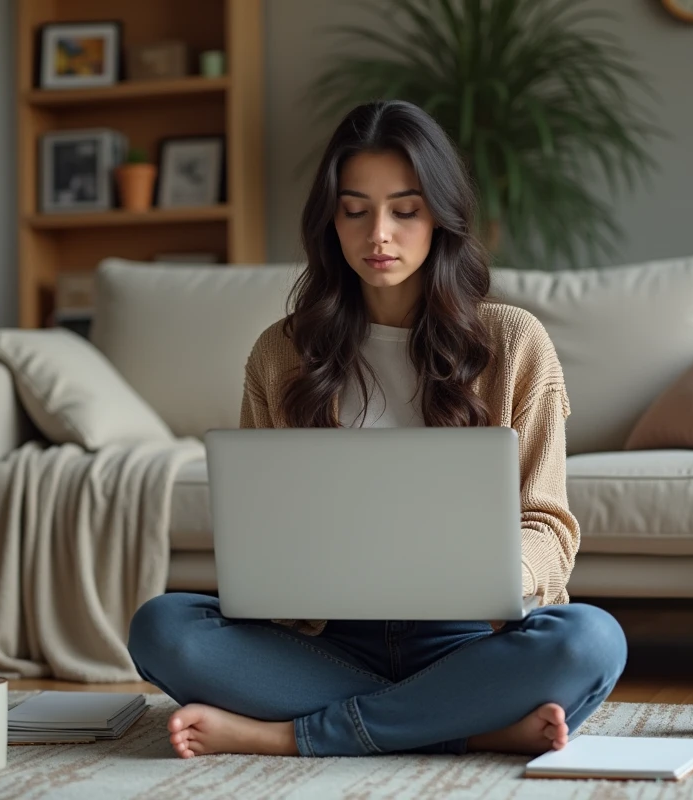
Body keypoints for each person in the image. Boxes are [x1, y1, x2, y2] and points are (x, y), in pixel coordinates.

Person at [128, 99, 627, 760]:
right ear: (330, 219)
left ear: (441, 214)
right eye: (355, 210)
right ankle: (467, 727)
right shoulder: (281, 354)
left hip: (468, 639)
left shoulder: (515, 344)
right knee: (162, 628)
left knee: (590, 642)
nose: (378, 235)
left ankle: (289, 736)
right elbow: (261, 527)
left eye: (405, 209)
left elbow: (548, 527)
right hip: (324, 639)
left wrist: (498, 573)